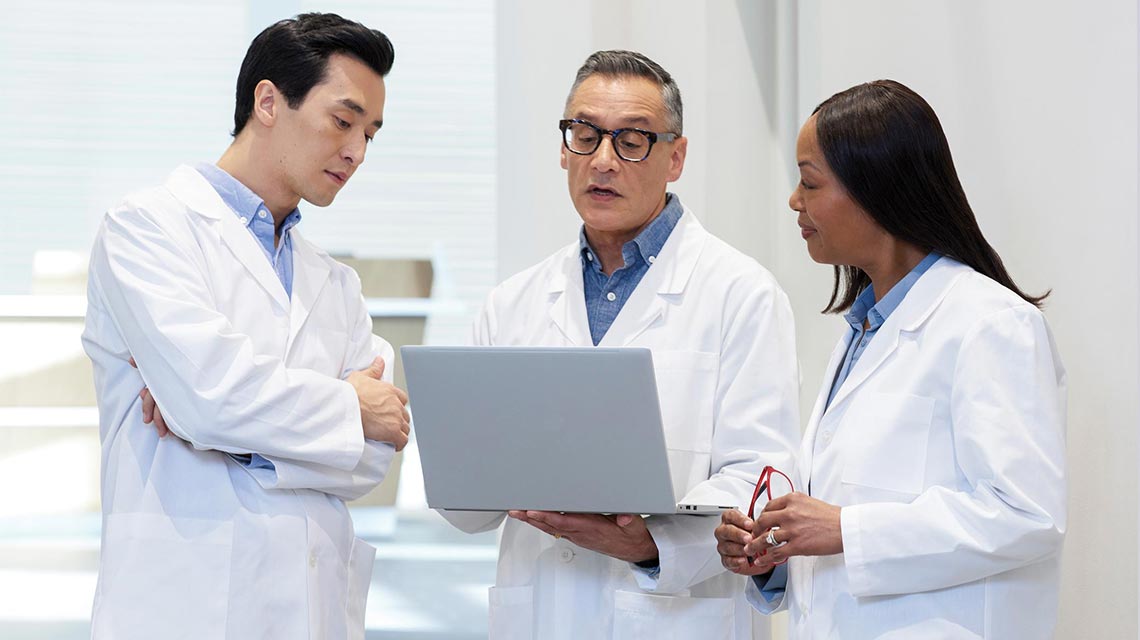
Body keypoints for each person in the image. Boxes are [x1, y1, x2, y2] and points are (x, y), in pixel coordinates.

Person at [439, 50, 800, 639]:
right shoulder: (513, 303)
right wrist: (465, 460)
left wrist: (650, 543)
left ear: (675, 157)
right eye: (584, 135)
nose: (602, 160)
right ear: (563, 148)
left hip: (673, 614)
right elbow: (465, 507)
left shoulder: (741, 294)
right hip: (539, 613)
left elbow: (760, 474)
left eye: (632, 140)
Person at [81, 13, 409, 639]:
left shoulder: (337, 284)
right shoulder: (146, 230)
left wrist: (222, 431)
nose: (357, 151)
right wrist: (345, 408)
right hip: (185, 605)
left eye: (371, 133)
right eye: (343, 121)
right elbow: (213, 396)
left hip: (312, 610)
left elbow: (374, 457)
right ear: (267, 101)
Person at [714, 79, 1067, 639]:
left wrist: (846, 529)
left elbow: (1028, 517)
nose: (793, 200)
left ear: (876, 191)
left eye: (809, 181)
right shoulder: (861, 331)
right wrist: (777, 551)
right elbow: (845, 529)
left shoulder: (990, 325)